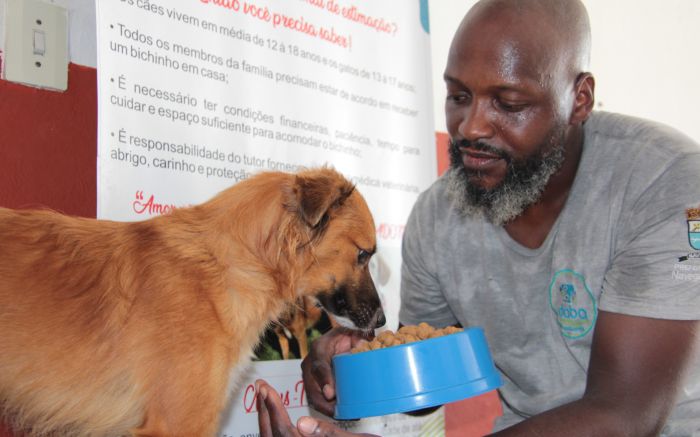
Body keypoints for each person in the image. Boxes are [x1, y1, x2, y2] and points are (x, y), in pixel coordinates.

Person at [257, 0, 700, 435]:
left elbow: (624, 416)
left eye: (507, 103)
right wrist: (349, 371)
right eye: (459, 96)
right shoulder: (436, 217)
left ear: (579, 99)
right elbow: (425, 385)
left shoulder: (666, 181)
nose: (471, 127)